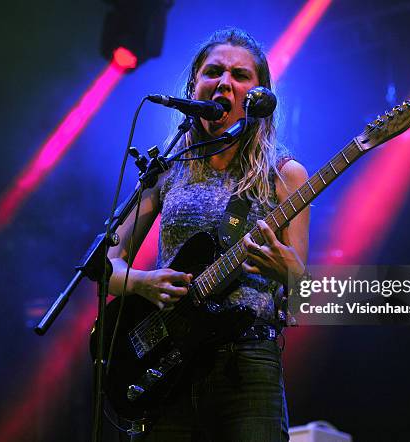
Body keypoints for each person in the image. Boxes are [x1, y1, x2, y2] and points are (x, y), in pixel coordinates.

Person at [108, 28, 310, 442]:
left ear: (259, 96)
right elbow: (105, 265)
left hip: (248, 361)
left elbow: (300, 285)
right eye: (214, 71)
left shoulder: (285, 175)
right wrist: (143, 283)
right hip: (170, 363)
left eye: (240, 75)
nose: (225, 82)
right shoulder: (167, 166)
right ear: (194, 85)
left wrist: (289, 269)